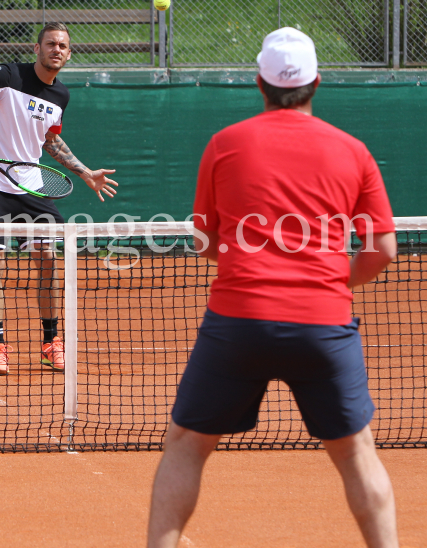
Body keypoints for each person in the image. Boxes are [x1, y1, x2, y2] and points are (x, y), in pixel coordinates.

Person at [147, 27, 400, 548]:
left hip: (239, 322)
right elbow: (383, 250)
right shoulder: (353, 150)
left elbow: (203, 242)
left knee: (186, 446)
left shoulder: (225, 144)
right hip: (324, 323)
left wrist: (243, 256)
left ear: (260, 83)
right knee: (356, 454)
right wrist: (330, 280)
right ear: (316, 83)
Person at [0, 22, 118, 376]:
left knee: (48, 259)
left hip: (33, 185)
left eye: (63, 46)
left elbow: (50, 140)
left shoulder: (61, 96)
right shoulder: (8, 76)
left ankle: (50, 344)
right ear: (36, 49)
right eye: (50, 43)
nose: (57, 49)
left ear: (69, 54)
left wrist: (84, 173)